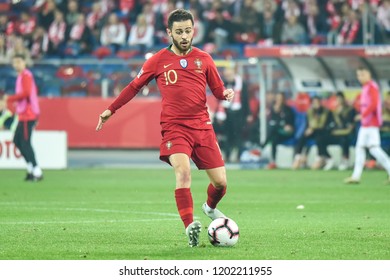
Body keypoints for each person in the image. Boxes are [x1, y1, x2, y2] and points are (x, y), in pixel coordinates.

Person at [96, 9, 235, 247]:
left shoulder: (204, 59)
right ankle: (190, 226)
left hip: (202, 127)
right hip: (174, 128)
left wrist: (226, 93)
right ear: (169, 32)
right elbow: (134, 86)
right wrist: (111, 109)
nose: (184, 36)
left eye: (188, 31)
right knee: (183, 173)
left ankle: (210, 208)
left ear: (194, 31)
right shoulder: (158, 60)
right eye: (179, 31)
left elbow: (218, 89)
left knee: (221, 183)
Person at [345, 67, 390, 184]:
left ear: (369, 75)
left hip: (371, 123)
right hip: (366, 124)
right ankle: (356, 176)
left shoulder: (372, 87)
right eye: (359, 75)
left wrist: (363, 115)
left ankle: (356, 176)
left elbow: (374, 104)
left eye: (363, 75)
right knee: (360, 148)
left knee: (374, 149)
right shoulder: (366, 87)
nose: (360, 77)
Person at [3, 54, 43, 181]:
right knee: (18, 141)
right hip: (23, 115)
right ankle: (31, 168)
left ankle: (37, 171)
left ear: (24, 63)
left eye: (19, 62)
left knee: (25, 142)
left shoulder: (26, 76)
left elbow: (25, 93)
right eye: (14, 62)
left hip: (28, 115)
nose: (16, 65)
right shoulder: (21, 76)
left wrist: (10, 98)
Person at [262, 92, 295, 169]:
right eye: (278, 98)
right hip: (277, 132)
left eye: (281, 99)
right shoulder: (273, 109)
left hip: (286, 133)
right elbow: (273, 122)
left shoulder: (288, 110)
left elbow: (290, 124)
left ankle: (263, 146)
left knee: (273, 130)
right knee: (274, 139)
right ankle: (273, 161)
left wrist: (288, 126)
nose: (279, 100)